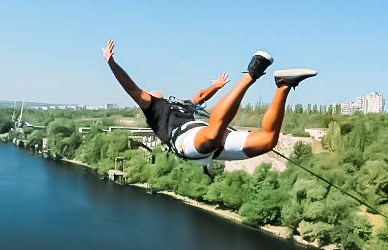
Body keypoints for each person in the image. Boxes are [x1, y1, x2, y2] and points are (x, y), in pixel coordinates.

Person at [101, 39, 316, 165]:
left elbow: (199, 98)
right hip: (186, 141)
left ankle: (283, 85)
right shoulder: (152, 108)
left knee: (268, 142)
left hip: (208, 140)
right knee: (213, 134)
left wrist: (215, 86)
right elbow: (130, 86)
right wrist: (112, 64)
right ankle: (251, 73)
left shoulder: (177, 103)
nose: (150, 92)